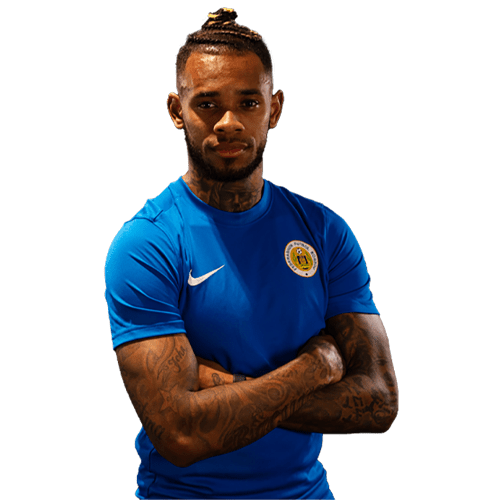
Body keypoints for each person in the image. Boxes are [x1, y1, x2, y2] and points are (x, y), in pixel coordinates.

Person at [104, 7, 399, 500]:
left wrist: (223, 386)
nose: (228, 123)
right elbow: (180, 433)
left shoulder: (325, 232)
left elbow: (379, 401)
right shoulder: (147, 244)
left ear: (274, 109)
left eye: (248, 102)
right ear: (176, 111)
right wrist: (314, 368)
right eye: (207, 104)